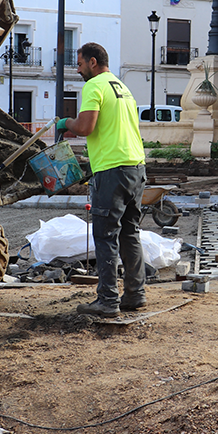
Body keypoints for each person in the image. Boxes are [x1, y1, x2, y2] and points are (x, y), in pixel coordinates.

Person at [58, 43, 146, 317]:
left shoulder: (94, 86)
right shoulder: (122, 88)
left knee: (106, 236)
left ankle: (107, 300)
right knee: (130, 233)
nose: (78, 69)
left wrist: (66, 123)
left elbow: (86, 127)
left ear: (93, 62)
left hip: (111, 171)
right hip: (136, 167)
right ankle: (135, 294)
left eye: (81, 64)